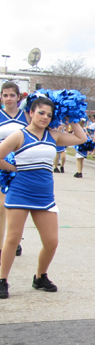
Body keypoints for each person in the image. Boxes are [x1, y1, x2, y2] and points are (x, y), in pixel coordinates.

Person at [0, 96, 87, 299]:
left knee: (51, 242)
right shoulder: (19, 136)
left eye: (49, 114)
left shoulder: (54, 136)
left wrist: (71, 117)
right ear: (30, 113)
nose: (45, 117)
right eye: (40, 113)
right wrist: (11, 168)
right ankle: (2, 280)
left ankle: (40, 276)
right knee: (12, 239)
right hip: (19, 192)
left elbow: (81, 139)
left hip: (44, 196)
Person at [0, 81, 28, 259]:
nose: (8, 98)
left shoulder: (27, 116)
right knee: (1, 207)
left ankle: (14, 240)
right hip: (1, 165)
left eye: (12, 95)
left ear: (19, 97)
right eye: (5, 95)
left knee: (17, 207)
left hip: (21, 165)